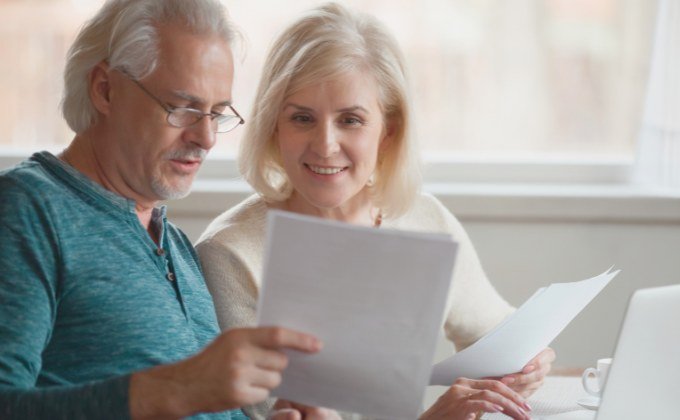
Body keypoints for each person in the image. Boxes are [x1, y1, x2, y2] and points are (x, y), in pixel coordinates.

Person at [196, 3, 554, 420]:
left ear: (389, 130)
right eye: (302, 118)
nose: (325, 144)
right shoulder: (231, 253)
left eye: (350, 119)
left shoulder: (425, 220)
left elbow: (494, 331)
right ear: (274, 124)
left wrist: (528, 362)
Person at [0, 1, 322, 418]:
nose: (206, 137)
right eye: (184, 108)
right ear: (105, 89)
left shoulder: (177, 245)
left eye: (217, 113)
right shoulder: (27, 211)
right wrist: (171, 389)